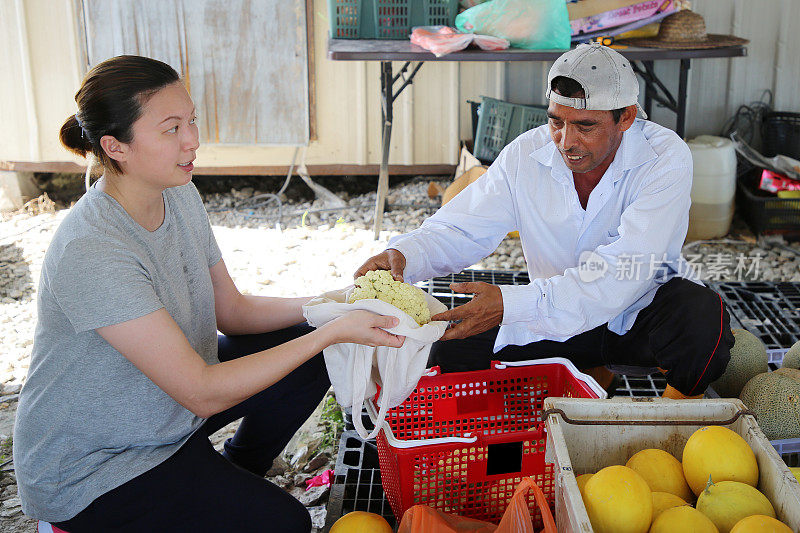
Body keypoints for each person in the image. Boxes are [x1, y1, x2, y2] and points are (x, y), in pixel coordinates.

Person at [13, 55, 404, 532]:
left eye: (192, 120)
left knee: (313, 338)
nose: (193, 140)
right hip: (99, 465)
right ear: (116, 146)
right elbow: (200, 391)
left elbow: (233, 312)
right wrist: (331, 332)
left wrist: (332, 304)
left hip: (165, 413)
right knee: (286, 525)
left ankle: (232, 474)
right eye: (171, 128)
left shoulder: (178, 193)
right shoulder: (91, 248)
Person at [357, 43, 734, 400]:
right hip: (555, 316)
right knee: (449, 350)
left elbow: (624, 272)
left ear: (626, 118)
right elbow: (462, 227)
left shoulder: (664, 157)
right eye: (556, 122)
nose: (566, 141)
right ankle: (580, 383)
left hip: (637, 314)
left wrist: (514, 305)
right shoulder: (526, 155)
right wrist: (405, 255)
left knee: (704, 323)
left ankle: (672, 423)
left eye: (585, 126)